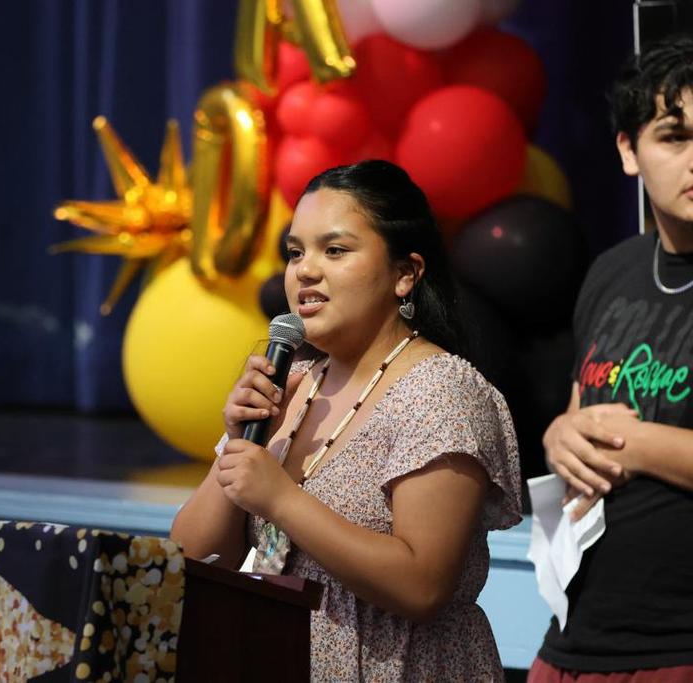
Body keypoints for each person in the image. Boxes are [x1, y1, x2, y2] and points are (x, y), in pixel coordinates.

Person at [170, 160, 522, 681]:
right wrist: (238, 440)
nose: (305, 270)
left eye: (334, 250)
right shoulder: (293, 385)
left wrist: (282, 499)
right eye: (295, 252)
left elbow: (422, 585)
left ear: (406, 274)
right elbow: (194, 556)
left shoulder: (440, 392)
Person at [529, 34, 693, 682]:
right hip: (575, 639)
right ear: (629, 150)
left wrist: (636, 441)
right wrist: (558, 434)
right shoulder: (614, 270)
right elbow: (582, 417)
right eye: (673, 137)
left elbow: (617, 435)